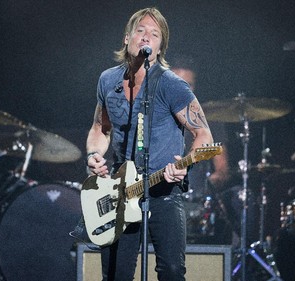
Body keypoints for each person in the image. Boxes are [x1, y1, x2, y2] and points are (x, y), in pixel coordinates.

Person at [85, 7, 213, 281]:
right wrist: (95, 154)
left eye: (154, 34)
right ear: (127, 37)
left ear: (159, 46)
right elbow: (100, 127)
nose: (146, 37)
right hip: (121, 191)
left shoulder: (172, 85)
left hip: (163, 190)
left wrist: (184, 165)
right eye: (141, 30)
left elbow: (204, 136)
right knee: (115, 273)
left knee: (172, 271)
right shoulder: (108, 80)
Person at [170, 57, 234, 245]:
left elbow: (222, 168)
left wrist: (212, 183)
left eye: (188, 85)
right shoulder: (150, 119)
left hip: (195, 199)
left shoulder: (209, 119)